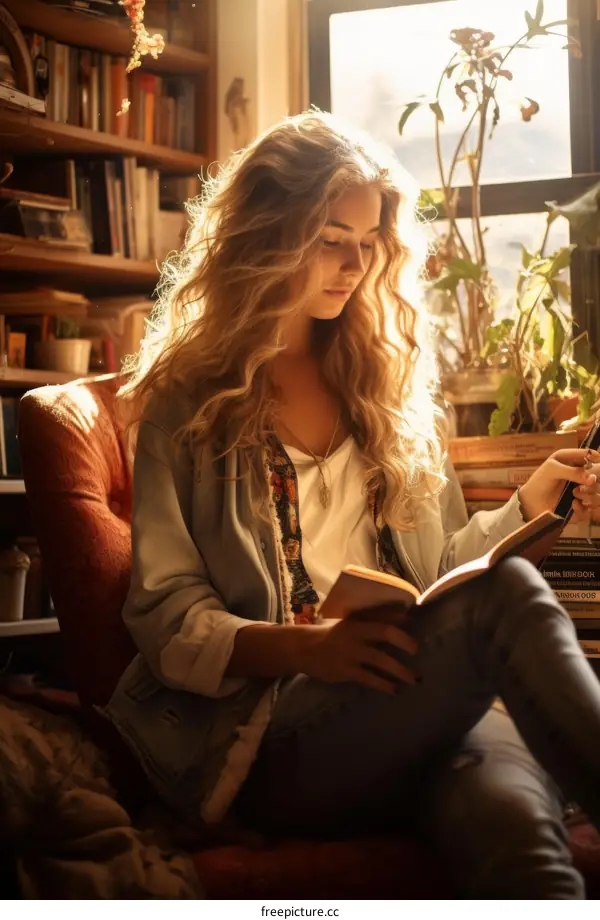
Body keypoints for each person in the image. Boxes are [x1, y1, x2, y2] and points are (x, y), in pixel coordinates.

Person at [105, 110, 600, 899]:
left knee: (514, 831)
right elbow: (166, 618)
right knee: (507, 600)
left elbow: (438, 575)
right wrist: (308, 649)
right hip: (277, 733)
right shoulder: (187, 403)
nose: (352, 263)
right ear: (266, 234)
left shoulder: (386, 388)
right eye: (330, 238)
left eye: (367, 243)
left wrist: (527, 506)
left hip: (413, 707)